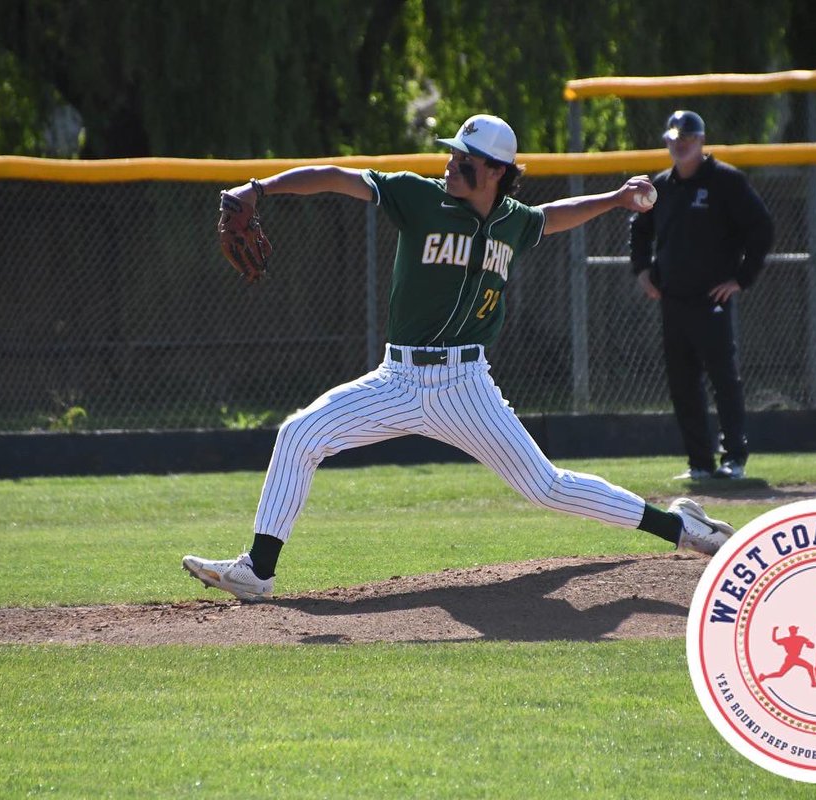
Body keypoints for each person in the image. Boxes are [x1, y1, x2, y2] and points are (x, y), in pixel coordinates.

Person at [183, 114, 734, 602]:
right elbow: (336, 176)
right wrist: (262, 187)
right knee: (299, 435)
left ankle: (679, 526)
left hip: (465, 386)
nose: (450, 165)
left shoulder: (512, 220)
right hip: (396, 380)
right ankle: (258, 570)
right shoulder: (418, 197)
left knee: (546, 487)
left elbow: (552, 216)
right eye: (451, 154)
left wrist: (614, 200)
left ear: (495, 171)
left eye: (464, 160)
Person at [628, 110, 773, 481]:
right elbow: (640, 229)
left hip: (712, 299)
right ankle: (699, 463)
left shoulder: (725, 181)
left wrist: (741, 278)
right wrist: (643, 270)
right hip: (672, 300)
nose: (680, 145)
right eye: (674, 139)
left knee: (723, 378)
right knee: (682, 382)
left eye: (687, 139)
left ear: (701, 140)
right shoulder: (662, 185)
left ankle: (734, 458)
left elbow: (762, 228)